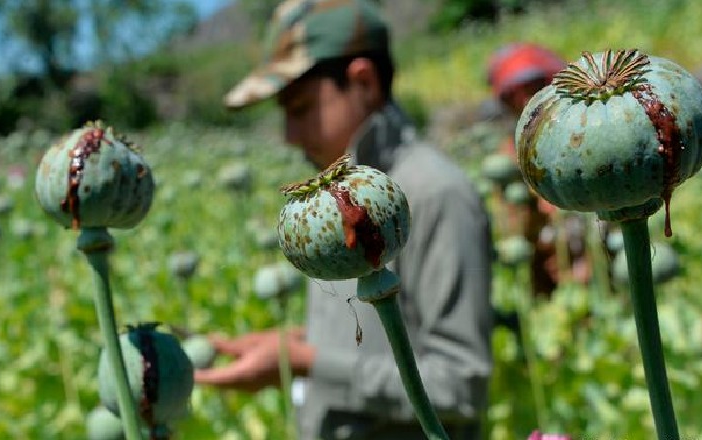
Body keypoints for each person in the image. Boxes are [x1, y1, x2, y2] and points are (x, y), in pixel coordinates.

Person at [194, 1, 494, 439]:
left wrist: (306, 363)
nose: (288, 135)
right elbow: (376, 331)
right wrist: (286, 345)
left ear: (364, 82)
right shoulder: (338, 202)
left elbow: (461, 386)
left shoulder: (434, 194)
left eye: (299, 109)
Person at [486, 43, 591, 297]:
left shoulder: (585, 137)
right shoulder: (509, 155)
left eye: (533, 90)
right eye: (515, 95)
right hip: (544, 262)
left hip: (587, 250)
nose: (526, 102)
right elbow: (512, 231)